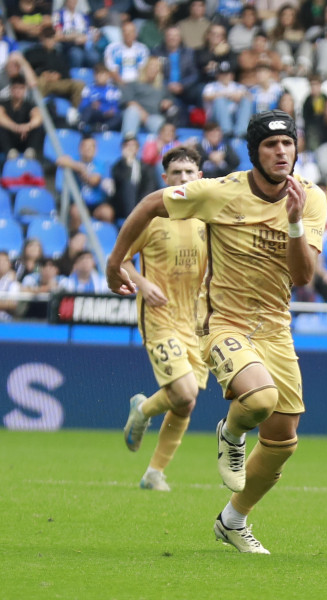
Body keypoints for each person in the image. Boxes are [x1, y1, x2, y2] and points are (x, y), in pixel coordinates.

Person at [106, 110, 327, 554]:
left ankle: (233, 519)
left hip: (276, 328)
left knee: (283, 440)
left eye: (287, 144)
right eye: (270, 145)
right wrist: (115, 263)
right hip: (225, 322)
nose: (281, 152)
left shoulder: (311, 197)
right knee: (259, 400)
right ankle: (230, 432)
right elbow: (151, 203)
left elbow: (303, 276)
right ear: (254, 153)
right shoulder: (219, 191)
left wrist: (296, 221)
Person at [120, 146, 208, 492]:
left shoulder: (208, 218)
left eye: (189, 173)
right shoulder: (152, 217)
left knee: (186, 402)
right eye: (176, 173)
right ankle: (142, 411)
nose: (183, 179)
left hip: (196, 322)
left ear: (200, 178)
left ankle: (154, 473)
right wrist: (142, 284)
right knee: (184, 393)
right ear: (165, 179)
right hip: (159, 317)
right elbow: (121, 261)